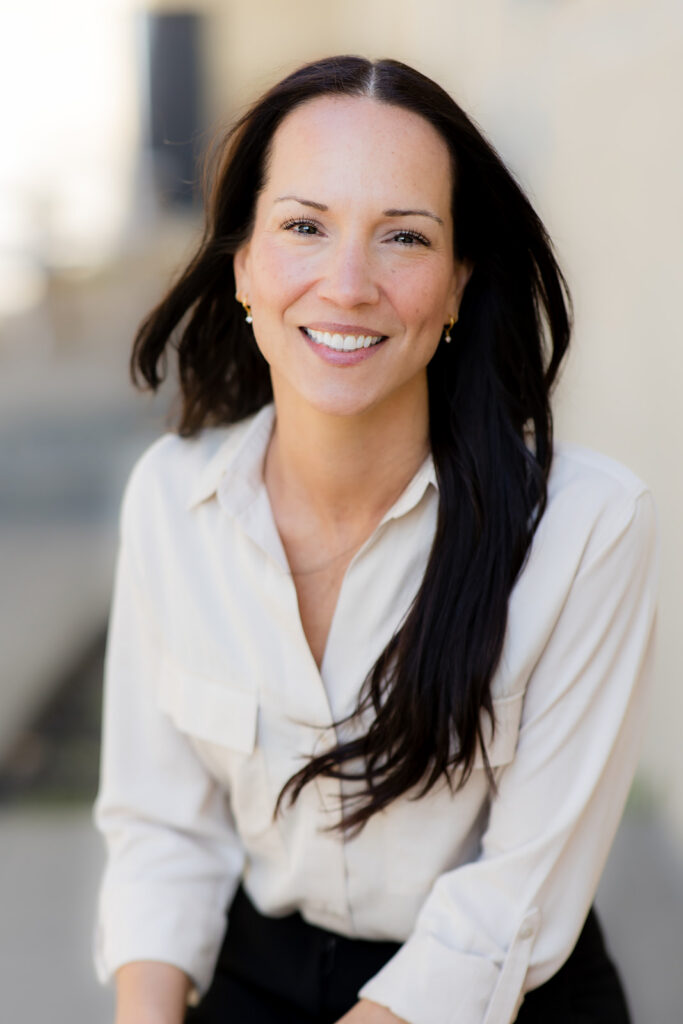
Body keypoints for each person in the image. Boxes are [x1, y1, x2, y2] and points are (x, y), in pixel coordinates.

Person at [94, 56, 658, 1024]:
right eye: (304, 227)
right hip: (255, 976)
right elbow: (160, 832)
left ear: (453, 287)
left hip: (497, 993)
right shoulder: (170, 499)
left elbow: (504, 904)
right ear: (242, 265)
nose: (347, 283)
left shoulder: (585, 525)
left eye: (401, 237)